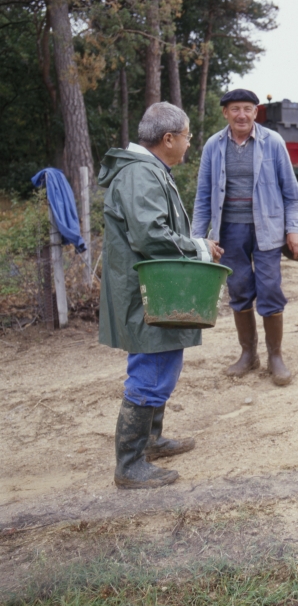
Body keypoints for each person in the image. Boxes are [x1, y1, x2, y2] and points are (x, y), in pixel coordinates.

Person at [99, 102, 223, 489]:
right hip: (147, 289)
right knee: (151, 368)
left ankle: (150, 440)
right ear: (168, 138)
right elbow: (150, 236)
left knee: (162, 359)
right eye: (187, 136)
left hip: (155, 286)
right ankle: (130, 465)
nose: (189, 143)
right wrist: (199, 248)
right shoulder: (140, 175)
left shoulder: (149, 171)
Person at [192, 88, 298, 384]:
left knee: (269, 288)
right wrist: (198, 238)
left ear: (256, 112)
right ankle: (248, 355)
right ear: (225, 113)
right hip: (229, 231)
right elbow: (203, 196)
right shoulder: (213, 146)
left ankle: (275, 357)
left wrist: (293, 229)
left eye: (247, 109)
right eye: (235, 109)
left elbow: (293, 194)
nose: (241, 114)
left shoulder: (273, 143)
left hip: (267, 228)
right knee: (239, 289)